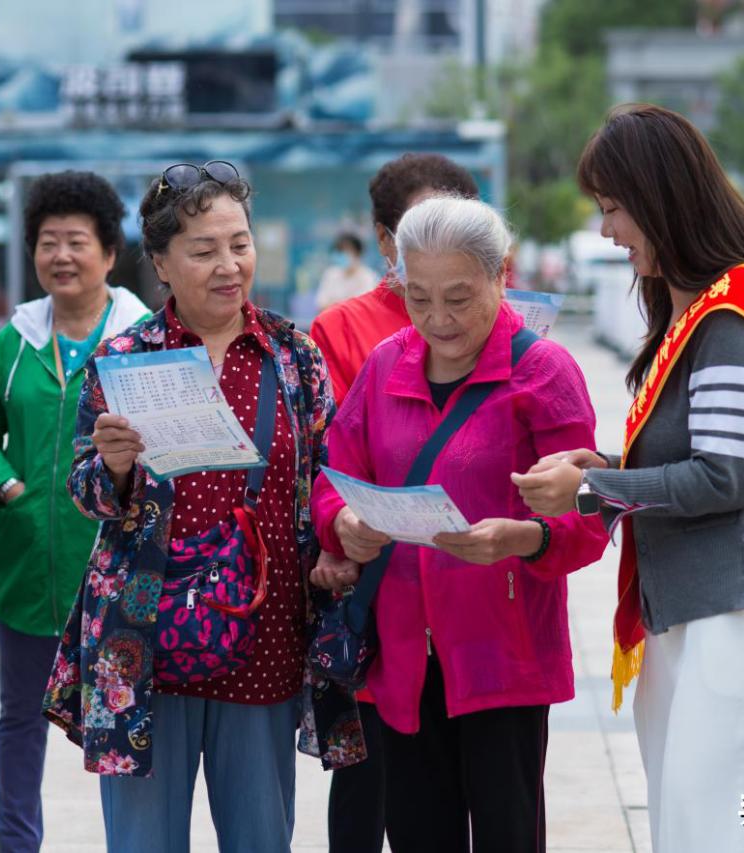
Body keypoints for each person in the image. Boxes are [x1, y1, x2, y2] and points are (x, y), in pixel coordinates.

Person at [513, 104, 744, 853]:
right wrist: (607, 469)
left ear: (661, 200)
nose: (608, 231)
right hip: (696, 616)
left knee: (715, 838)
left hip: (738, 619)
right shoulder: (702, 315)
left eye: (615, 209)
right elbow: (704, 464)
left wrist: (593, 490)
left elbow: (723, 479)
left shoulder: (734, 319)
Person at [41, 160, 358, 853]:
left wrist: (340, 540)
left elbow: (329, 472)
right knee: (143, 841)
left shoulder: (292, 356)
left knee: (261, 837)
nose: (229, 264)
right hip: (143, 646)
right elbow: (85, 490)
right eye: (204, 249)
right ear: (159, 260)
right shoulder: (123, 357)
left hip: (264, 635)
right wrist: (115, 467)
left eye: (238, 243)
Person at [312, 196, 609, 853]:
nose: (438, 320)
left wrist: (523, 537)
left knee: (508, 834)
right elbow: (333, 471)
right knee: (417, 832)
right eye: (419, 298)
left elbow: (590, 516)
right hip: (402, 652)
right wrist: (346, 524)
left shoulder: (544, 373)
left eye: (458, 297)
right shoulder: (388, 364)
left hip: (502, 653)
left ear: (501, 275)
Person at [0, 171, 150, 853]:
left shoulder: (143, 339)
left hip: (118, 577)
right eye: (48, 242)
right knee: (19, 720)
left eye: (76, 241)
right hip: (25, 573)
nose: (60, 256)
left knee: (118, 725)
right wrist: (4, 485)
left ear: (107, 252)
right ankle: (18, 844)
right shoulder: (16, 340)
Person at [308, 151, 480, 853]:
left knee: (471, 782)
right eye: (420, 225)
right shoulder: (344, 330)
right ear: (385, 241)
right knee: (369, 777)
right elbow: (332, 461)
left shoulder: (502, 325)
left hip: (472, 584)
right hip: (379, 591)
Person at [309, 153, 481, 403]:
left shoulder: (492, 319)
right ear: (383, 238)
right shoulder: (339, 329)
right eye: (422, 232)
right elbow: (332, 435)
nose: (442, 248)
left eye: (457, 234)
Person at [315, 232, 378, 311]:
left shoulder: (368, 276)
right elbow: (321, 305)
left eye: (346, 251)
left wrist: (334, 304)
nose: (342, 255)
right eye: (339, 251)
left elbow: (362, 308)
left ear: (358, 253)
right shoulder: (331, 274)